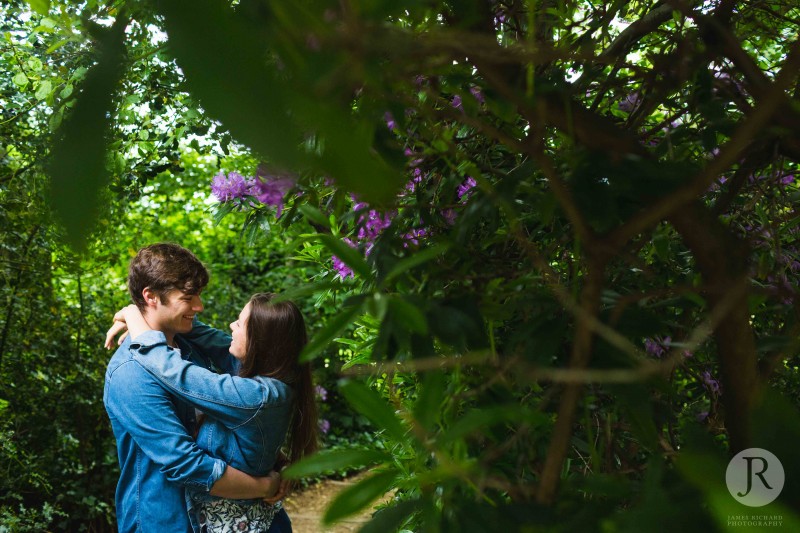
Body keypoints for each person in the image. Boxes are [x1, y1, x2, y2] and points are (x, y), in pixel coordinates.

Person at [103, 243, 289, 532]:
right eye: (189, 297)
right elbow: (186, 464)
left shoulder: (190, 345)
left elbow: (242, 415)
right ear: (150, 296)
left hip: (223, 518)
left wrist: (274, 463)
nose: (199, 307)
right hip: (167, 520)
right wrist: (264, 486)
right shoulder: (131, 372)